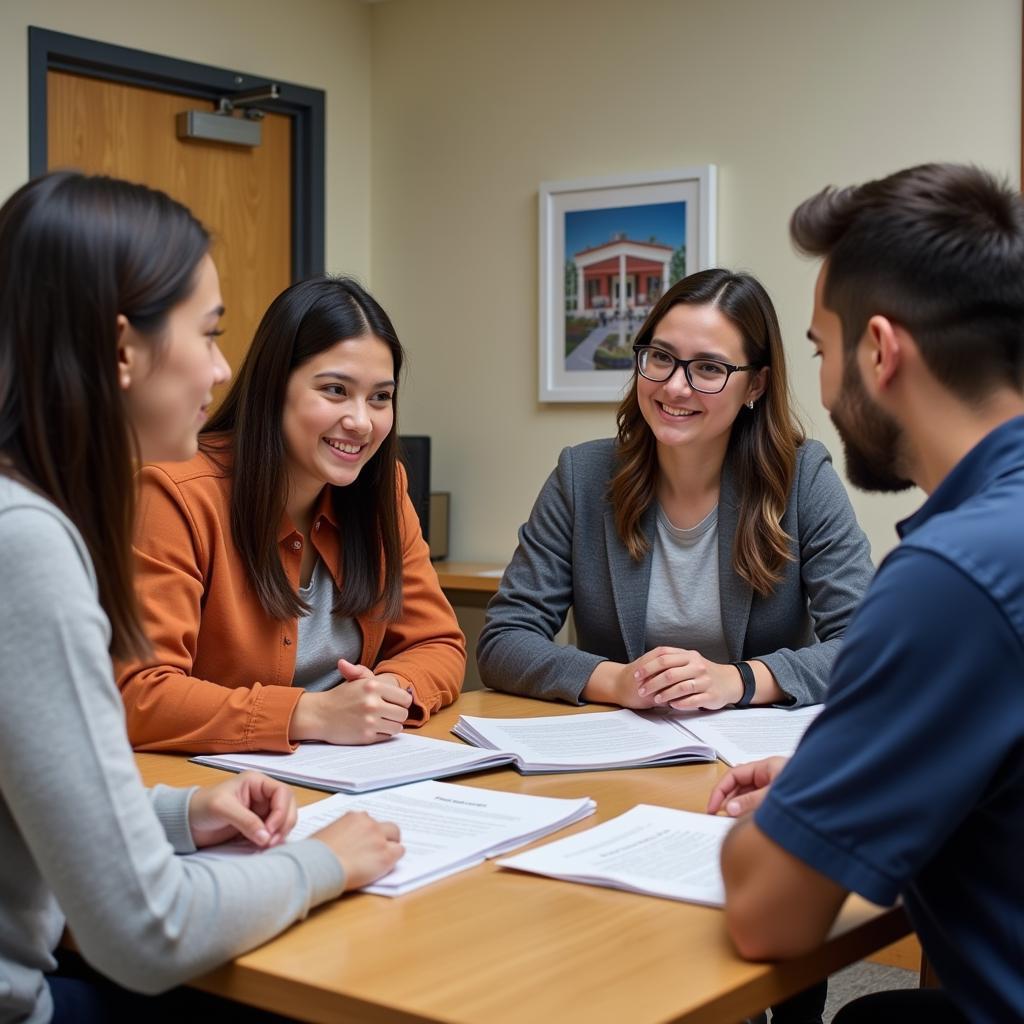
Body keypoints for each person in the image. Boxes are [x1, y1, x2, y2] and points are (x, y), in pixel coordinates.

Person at [0, 171, 404, 1024]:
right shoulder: (26, 544)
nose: (224, 370)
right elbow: (151, 934)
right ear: (121, 350)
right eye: (210, 333)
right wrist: (330, 860)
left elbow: (30, 783)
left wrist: (182, 812)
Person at [712, 163, 1024, 1024]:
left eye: (821, 349)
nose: (821, 383)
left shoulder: (952, 576)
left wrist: (799, 807)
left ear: (879, 351)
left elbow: (768, 914)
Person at [478, 269, 873, 715]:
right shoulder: (582, 475)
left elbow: (868, 645)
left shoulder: (802, 478)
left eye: (709, 368)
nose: (674, 386)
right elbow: (504, 641)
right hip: (620, 752)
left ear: (756, 385)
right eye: (661, 357)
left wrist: (737, 680)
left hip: (754, 759)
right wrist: (619, 681)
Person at [117, 276, 466, 754]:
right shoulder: (175, 493)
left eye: (380, 397)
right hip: (223, 792)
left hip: (352, 774)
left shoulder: (385, 488)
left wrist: (390, 691)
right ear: (273, 387)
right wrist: (311, 713)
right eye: (335, 390)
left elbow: (438, 644)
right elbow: (140, 692)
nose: (362, 421)